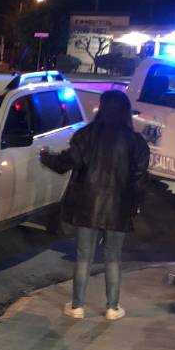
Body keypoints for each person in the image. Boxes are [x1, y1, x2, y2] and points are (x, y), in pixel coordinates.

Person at [41, 90, 150, 321]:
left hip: (86, 203)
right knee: (113, 257)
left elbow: (66, 162)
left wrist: (46, 156)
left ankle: (77, 306)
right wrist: (136, 204)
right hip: (119, 207)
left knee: (84, 256)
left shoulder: (86, 135)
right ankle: (112, 307)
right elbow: (139, 179)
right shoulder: (136, 142)